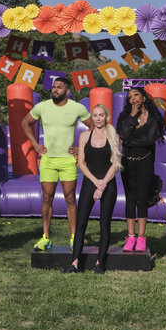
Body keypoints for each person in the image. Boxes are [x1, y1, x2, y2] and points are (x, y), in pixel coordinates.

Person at [22, 76, 92, 250]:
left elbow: (95, 126)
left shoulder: (77, 108)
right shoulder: (42, 107)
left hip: (68, 161)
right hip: (48, 161)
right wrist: (35, 145)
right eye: (54, 87)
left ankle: (73, 237)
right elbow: (25, 123)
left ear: (67, 91)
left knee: (70, 199)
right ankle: (45, 237)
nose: (55, 90)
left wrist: (81, 147)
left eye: (59, 87)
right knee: (47, 198)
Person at [63, 104, 120, 274]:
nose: (98, 118)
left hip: (108, 183)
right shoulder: (84, 136)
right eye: (95, 115)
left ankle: (99, 263)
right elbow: (81, 162)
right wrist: (96, 182)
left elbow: (115, 163)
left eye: (101, 115)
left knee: (104, 225)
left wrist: (102, 185)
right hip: (90, 182)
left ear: (106, 116)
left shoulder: (113, 136)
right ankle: (74, 263)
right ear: (92, 117)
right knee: (80, 224)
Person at [116, 86, 165, 252]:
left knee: (141, 198)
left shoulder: (153, 117)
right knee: (130, 199)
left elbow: (149, 140)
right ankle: (130, 238)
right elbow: (121, 135)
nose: (133, 99)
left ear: (144, 98)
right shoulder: (125, 116)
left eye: (136, 95)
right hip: (128, 162)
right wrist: (131, 117)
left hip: (145, 161)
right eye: (130, 97)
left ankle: (141, 238)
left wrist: (130, 140)